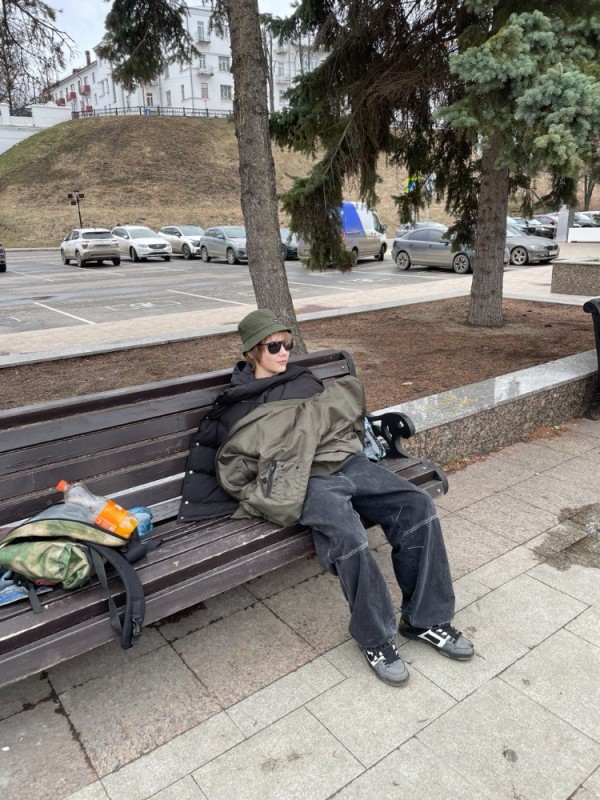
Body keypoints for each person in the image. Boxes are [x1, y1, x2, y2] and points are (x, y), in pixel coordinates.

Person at [179, 309, 474, 686]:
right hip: (305, 481)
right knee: (349, 537)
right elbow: (237, 463)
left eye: (288, 343)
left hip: (347, 463)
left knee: (417, 505)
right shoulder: (236, 404)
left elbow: (337, 420)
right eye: (274, 346)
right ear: (253, 350)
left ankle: (425, 620)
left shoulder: (304, 380)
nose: (285, 351)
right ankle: (376, 638)